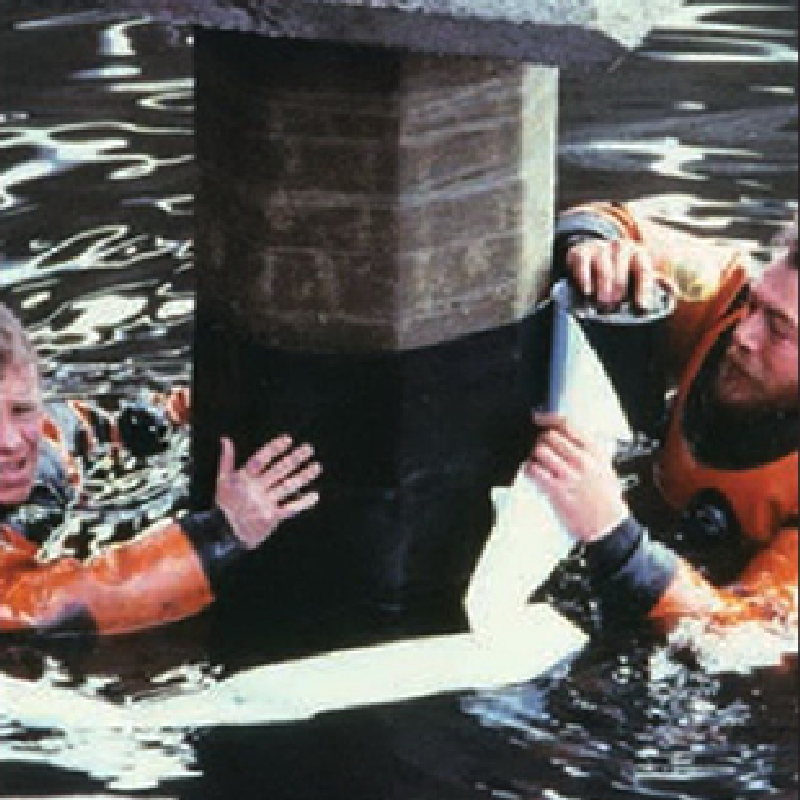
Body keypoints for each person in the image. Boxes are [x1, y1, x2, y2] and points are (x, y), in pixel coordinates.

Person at [527, 202, 797, 633]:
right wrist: (596, 251)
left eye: (780, 330)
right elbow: (608, 220)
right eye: (756, 305)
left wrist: (612, 532)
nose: (744, 335)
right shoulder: (726, 293)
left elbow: (747, 632)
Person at [0, 301, 322, 636]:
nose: (10, 441)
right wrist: (221, 532)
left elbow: (92, 425)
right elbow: (47, 608)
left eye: (22, 410)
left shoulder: (47, 439)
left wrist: (180, 411)